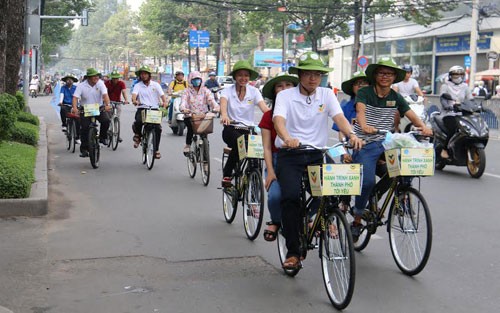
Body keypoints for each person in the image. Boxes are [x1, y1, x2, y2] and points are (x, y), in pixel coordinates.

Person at [272, 52, 364, 269]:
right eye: (308, 74)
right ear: (300, 75)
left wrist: (351, 134)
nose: (313, 78)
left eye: (317, 74)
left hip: (316, 154)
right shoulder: (286, 96)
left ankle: (316, 217)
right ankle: (293, 252)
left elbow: (339, 117)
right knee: (291, 197)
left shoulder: (326, 94)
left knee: (334, 190)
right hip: (291, 155)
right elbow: (279, 120)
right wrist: (287, 138)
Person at [350, 58, 432, 242]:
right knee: (367, 181)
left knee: (399, 171)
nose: (385, 77)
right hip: (365, 143)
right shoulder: (364, 92)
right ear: (375, 75)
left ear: (395, 77)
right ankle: (357, 219)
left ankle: (388, 197)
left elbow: (410, 113)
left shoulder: (395, 97)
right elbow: (360, 112)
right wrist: (364, 126)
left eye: (389, 74)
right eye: (381, 73)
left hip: (387, 142)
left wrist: (423, 127)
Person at [258, 72, 299, 242]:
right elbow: (267, 147)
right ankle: (275, 221)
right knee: (275, 196)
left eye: (288, 85)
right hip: (277, 159)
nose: (284, 89)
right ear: (274, 91)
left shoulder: (303, 109)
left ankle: (311, 218)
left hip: (304, 156)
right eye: (279, 86)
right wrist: (270, 172)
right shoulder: (268, 116)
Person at [220, 60, 270, 186]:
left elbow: (264, 109)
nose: (243, 78)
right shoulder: (227, 91)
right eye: (240, 75)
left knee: (259, 148)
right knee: (239, 142)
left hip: (248, 129)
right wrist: (225, 116)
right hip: (231, 128)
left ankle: (254, 179)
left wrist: (276, 118)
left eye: (246, 75)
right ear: (235, 76)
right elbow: (223, 106)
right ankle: (227, 173)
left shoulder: (254, 91)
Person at [71, 68, 111, 158]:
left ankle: (102, 138)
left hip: (98, 108)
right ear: (88, 77)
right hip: (85, 109)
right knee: (84, 128)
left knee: (106, 120)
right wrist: (74, 108)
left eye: (97, 76)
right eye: (94, 76)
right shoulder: (81, 86)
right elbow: (75, 98)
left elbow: (105, 95)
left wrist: (107, 104)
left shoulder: (100, 83)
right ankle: (84, 149)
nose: (96, 78)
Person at [131, 65, 168, 159]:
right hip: (142, 108)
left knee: (158, 129)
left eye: (145, 74)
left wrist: (165, 102)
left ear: (149, 75)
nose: (143, 76)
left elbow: (162, 95)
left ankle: (156, 150)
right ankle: (138, 136)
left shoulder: (155, 85)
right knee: (138, 121)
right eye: (142, 74)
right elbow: (134, 95)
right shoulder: (138, 85)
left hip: (154, 109)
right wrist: (135, 101)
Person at [180, 71, 219, 155]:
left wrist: (216, 107)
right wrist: (183, 109)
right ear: (191, 80)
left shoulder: (205, 91)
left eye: (198, 79)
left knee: (205, 135)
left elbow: (211, 100)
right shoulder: (187, 91)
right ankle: (188, 145)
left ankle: (205, 159)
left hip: (203, 116)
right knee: (190, 129)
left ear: (201, 80)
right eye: (194, 79)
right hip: (191, 116)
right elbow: (183, 101)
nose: (197, 81)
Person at [438, 65, 474, 159]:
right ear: (450, 76)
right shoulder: (445, 86)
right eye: (455, 75)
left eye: (460, 75)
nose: (458, 77)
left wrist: (476, 106)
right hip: (448, 113)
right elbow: (443, 99)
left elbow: (471, 99)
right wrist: (447, 106)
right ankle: (445, 149)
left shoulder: (465, 87)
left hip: (462, 113)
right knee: (453, 128)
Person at [105, 70, 129, 142]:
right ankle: (108, 131)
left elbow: (124, 92)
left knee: (116, 118)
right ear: (111, 78)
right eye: (114, 78)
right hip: (108, 102)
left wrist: (126, 100)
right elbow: (104, 92)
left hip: (117, 102)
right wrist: (106, 101)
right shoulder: (107, 83)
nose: (115, 80)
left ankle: (116, 134)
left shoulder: (121, 83)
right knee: (108, 119)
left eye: (117, 78)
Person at [59, 74, 80, 142]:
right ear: (65, 81)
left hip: (75, 105)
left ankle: (77, 137)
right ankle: (64, 125)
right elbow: (62, 94)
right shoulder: (63, 88)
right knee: (62, 110)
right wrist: (61, 102)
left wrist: (79, 104)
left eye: (71, 80)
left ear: (73, 81)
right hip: (66, 104)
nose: (69, 81)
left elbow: (78, 97)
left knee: (78, 119)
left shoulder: (76, 88)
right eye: (68, 80)